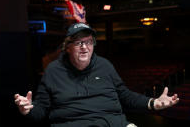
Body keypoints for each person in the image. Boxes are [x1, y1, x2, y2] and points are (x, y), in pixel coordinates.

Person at [14, 22, 179, 127]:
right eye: (79, 43)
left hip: (113, 123)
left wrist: (153, 103)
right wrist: (28, 110)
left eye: (88, 42)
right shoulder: (53, 71)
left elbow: (125, 95)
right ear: (67, 47)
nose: (84, 47)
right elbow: (41, 109)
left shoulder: (104, 65)